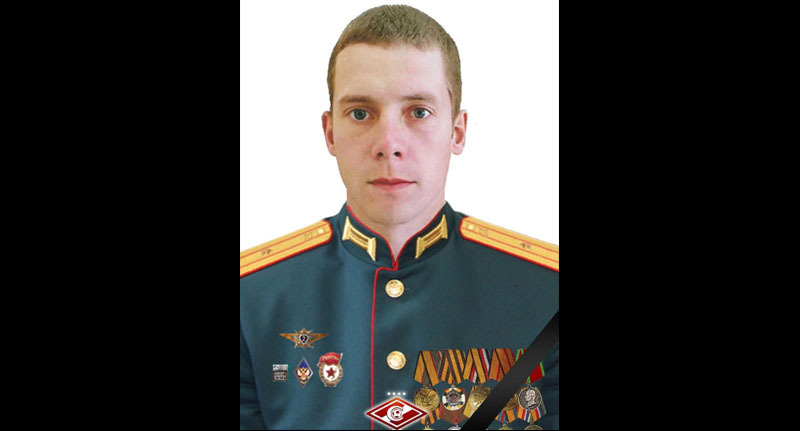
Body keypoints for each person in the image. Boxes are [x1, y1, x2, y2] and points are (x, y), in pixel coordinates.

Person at [240, 5, 558, 430]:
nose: (389, 143)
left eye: (418, 112)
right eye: (360, 113)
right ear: (330, 132)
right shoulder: (252, 298)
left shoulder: (546, 293)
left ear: (457, 131)